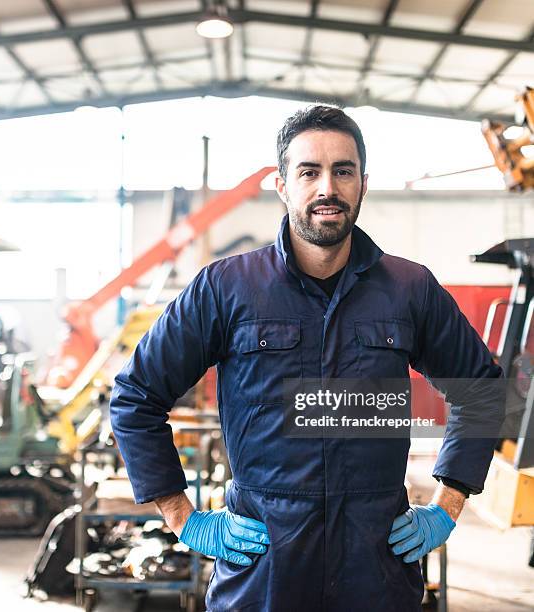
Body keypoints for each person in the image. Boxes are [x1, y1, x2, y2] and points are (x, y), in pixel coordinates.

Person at [110, 105, 503, 611]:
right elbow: (136, 396)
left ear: (363, 183)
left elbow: (482, 389)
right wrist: (182, 515)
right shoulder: (227, 288)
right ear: (282, 185)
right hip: (264, 565)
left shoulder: (409, 289)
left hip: (375, 567)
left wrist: (448, 505)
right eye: (309, 171)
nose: (327, 188)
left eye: (343, 170)